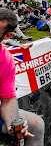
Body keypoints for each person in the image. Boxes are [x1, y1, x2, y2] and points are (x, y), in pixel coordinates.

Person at [0, 8, 44, 145]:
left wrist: (13, 124)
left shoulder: (5, 60)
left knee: (37, 124)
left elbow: (8, 99)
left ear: (7, 36)